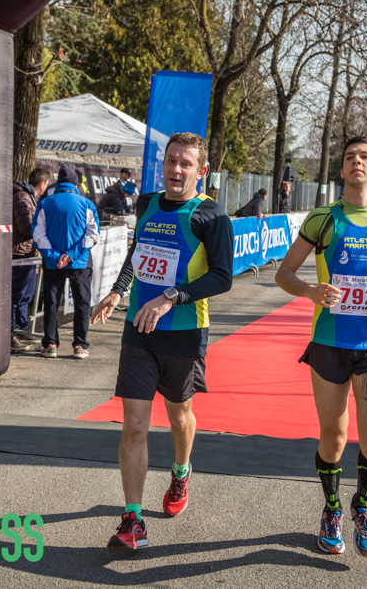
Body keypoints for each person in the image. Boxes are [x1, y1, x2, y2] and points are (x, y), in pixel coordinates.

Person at [275, 136, 367, 557]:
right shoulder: (322, 219)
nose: (357, 161)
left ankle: (364, 505)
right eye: (350, 157)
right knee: (334, 439)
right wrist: (309, 291)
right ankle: (332, 509)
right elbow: (284, 273)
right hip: (329, 343)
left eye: (365, 157)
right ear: (341, 170)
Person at [90, 132, 233, 550]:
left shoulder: (211, 215)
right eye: (171, 161)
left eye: (186, 163)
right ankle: (132, 518)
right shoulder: (147, 203)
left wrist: (172, 296)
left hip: (184, 333)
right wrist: (118, 291)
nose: (176, 169)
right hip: (139, 329)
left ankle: (181, 472)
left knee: (179, 416)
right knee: (134, 423)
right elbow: (139, 252)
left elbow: (222, 276)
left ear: (200, 171)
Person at [33, 165, 100, 359]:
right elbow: (93, 235)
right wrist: (71, 255)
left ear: (59, 184)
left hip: (53, 263)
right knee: (82, 303)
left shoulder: (45, 203)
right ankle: (79, 345)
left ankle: (50, 344)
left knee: (51, 303)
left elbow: (38, 235)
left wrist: (55, 256)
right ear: (76, 185)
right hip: (80, 262)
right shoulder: (87, 204)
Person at [11, 168, 51, 351]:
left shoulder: (26, 197)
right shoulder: (22, 197)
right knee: (17, 295)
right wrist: (42, 227)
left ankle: (21, 328)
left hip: (26, 253)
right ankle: (11, 334)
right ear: (42, 184)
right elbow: (25, 227)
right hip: (20, 254)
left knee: (24, 295)